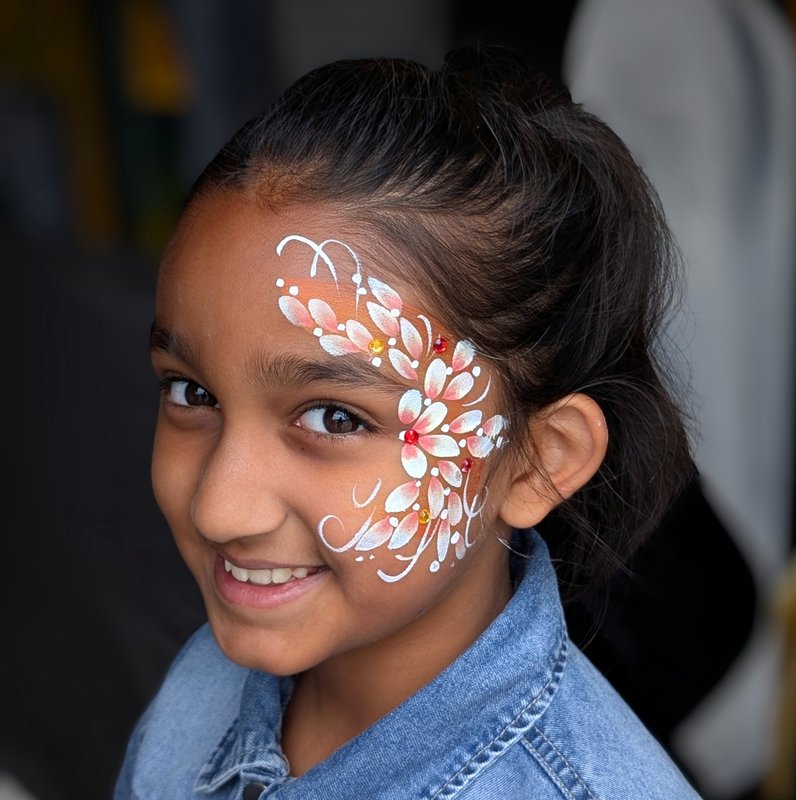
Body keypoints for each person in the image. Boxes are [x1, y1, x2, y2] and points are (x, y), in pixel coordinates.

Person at [113, 44, 701, 799]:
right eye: (192, 394)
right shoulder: (206, 688)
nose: (219, 507)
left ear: (536, 462)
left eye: (334, 416)